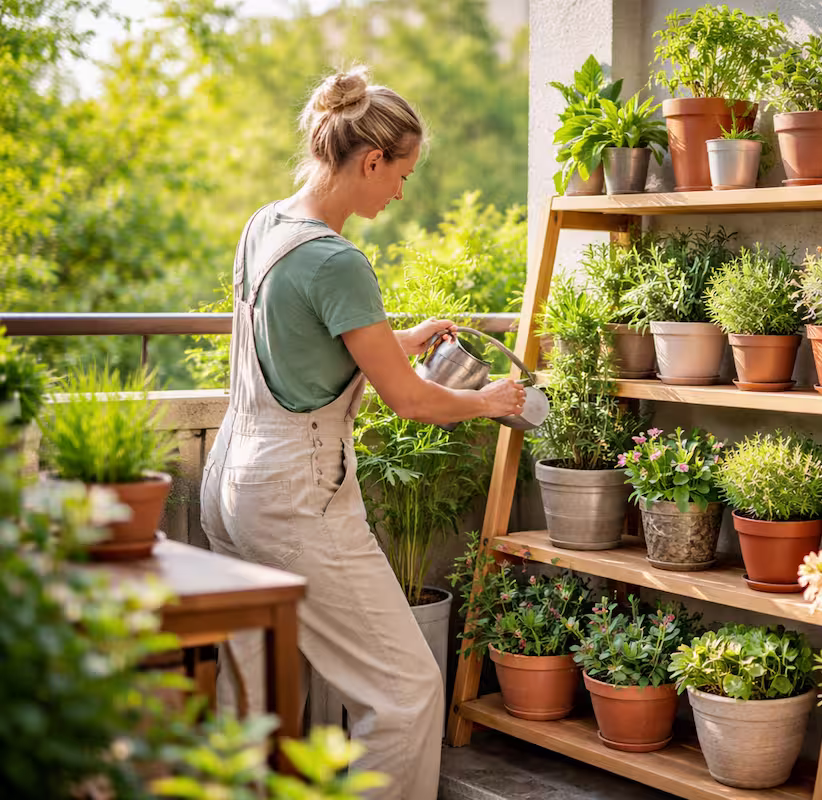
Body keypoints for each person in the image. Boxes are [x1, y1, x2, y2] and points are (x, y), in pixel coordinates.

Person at [199, 66, 524, 799]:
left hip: (232, 480)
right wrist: (494, 400)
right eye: (401, 174)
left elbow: (301, 340)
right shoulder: (339, 259)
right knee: (405, 692)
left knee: (255, 693)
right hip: (294, 493)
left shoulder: (267, 225)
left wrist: (400, 336)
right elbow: (410, 403)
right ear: (370, 160)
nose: (400, 192)